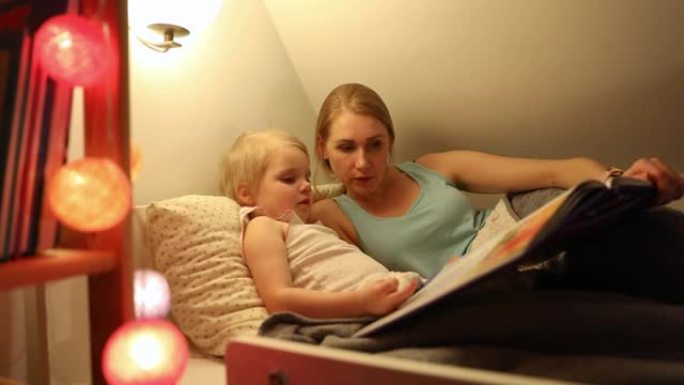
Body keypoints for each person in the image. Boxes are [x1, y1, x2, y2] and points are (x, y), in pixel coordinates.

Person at [312, 82, 684, 280]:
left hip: (516, 231)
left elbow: (555, 171)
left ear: (390, 141)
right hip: (471, 282)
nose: (363, 162)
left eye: (375, 145)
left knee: (606, 217)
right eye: (346, 147)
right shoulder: (329, 213)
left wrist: (617, 181)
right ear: (323, 149)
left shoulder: (432, 167)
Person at [219, 130, 421, 319]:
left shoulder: (310, 225)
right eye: (289, 179)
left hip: (389, 292)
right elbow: (279, 301)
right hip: (365, 309)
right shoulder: (263, 226)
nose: (307, 185)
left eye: (307, 177)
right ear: (246, 194)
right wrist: (360, 302)